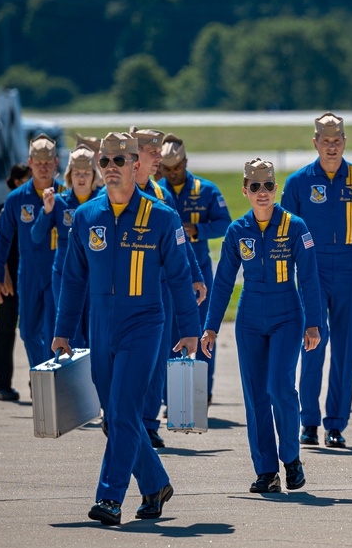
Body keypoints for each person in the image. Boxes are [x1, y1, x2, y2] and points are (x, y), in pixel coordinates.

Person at [51, 132, 201, 526]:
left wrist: (189, 328)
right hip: (100, 325)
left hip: (144, 322)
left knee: (123, 410)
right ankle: (154, 484)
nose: (112, 168)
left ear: (137, 165)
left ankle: (110, 498)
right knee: (115, 415)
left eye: (120, 161)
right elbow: (72, 279)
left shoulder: (162, 218)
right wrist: (63, 330)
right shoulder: (86, 218)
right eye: (106, 162)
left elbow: (180, 276)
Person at [201, 158, 322, 493]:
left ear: (276, 188)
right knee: (255, 396)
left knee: (280, 387)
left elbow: (309, 279)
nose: (262, 192)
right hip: (250, 317)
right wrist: (211, 327)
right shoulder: (238, 230)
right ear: (245, 191)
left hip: (288, 314)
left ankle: (292, 458)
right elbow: (223, 281)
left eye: (268, 185)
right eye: (255, 187)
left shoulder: (296, 227)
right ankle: (266, 471)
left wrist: (314, 324)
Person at [281, 112, 352, 448]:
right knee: (313, 344)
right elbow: (281, 233)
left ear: (345, 142)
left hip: (349, 270)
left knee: (345, 349)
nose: (332, 147)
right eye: (326, 141)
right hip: (311, 272)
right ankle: (309, 422)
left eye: (337, 141)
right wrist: (283, 277)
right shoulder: (298, 182)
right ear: (315, 142)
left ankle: (336, 424)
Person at [129, 127, 206, 449]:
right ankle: (122, 416)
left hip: (159, 289)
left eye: (160, 150)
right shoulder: (119, 190)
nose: (159, 156)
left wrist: (195, 275)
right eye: (153, 150)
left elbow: (179, 239)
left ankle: (148, 423)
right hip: (124, 290)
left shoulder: (162, 195)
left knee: (158, 358)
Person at [159, 134, 232, 404]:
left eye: (177, 167)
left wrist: (198, 230)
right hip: (166, 274)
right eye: (167, 169)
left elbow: (225, 222)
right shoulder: (156, 191)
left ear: (186, 162)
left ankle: (203, 391)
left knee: (202, 331)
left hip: (199, 269)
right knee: (168, 332)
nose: (173, 173)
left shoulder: (206, 189)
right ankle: (169, 396)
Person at [0, 134, 63, 369]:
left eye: (48, 163)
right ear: (30, 163)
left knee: (55, 333)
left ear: (56, 163)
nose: (43, 169)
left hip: (59, 274)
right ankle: (42, 375)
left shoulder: (68, 196)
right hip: (29, 273)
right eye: (38, 164)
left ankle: (55, 383)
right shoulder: (16, 199)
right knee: (28, 333)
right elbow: (2, 238)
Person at [30, 144, 99, 349]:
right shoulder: (59, 201)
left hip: (96, 272)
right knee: (71, 329)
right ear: (69, 175)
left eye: (86, 173)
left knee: (95, 327)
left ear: (94, 175)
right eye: (77, 173)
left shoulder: (103, 200)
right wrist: (46, 211)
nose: (81, 178)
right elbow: (36, 236)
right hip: (66, 274)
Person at [0, 162, 31, 401]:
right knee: (6, 330)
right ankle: (2, 383)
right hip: (11, 276)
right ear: (17, 181)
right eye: (27, 177)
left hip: (30, 275)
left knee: (36, 331)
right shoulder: (6, 207)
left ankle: (38, 380)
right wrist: (4, 275)